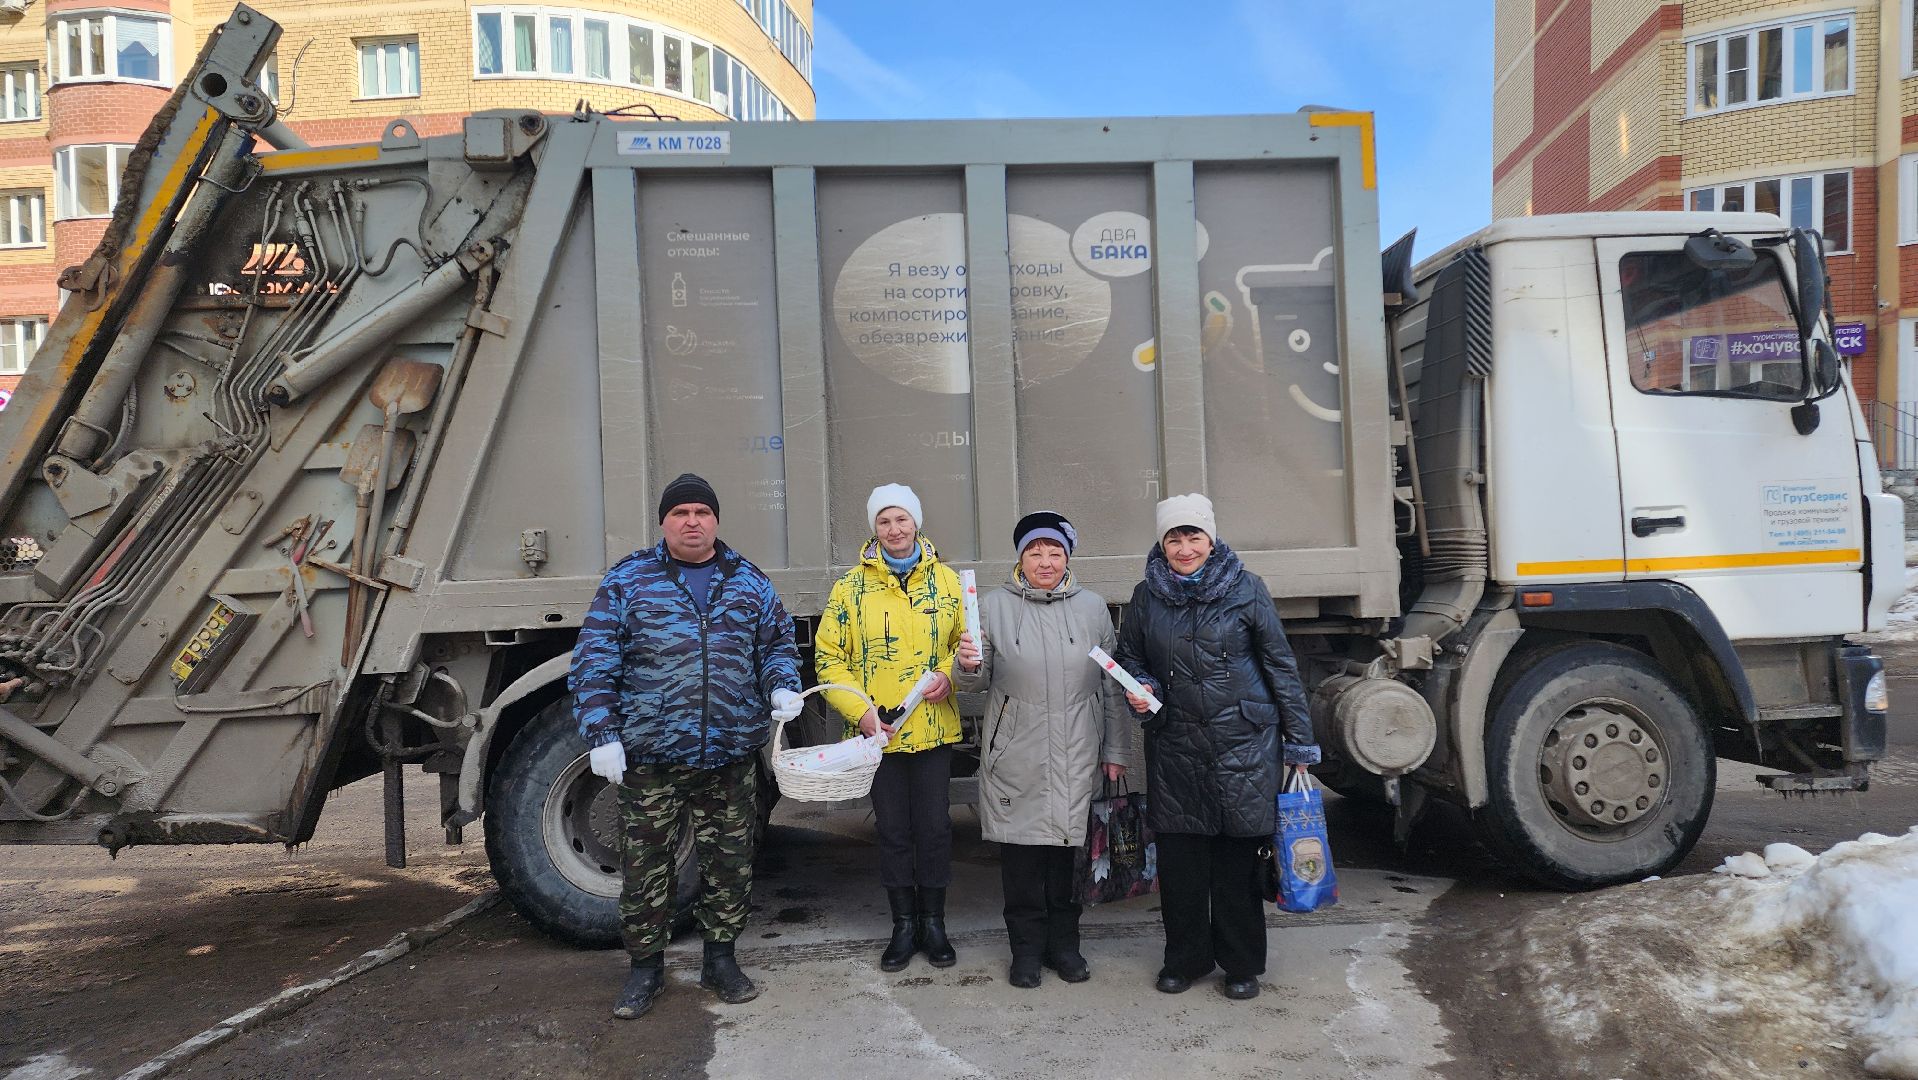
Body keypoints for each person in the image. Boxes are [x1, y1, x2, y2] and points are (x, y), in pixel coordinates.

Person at [571, 472, 806, 1020]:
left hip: (729, 753)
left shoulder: (748, 580)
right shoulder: (629, 580)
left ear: (716, 520)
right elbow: (595, 660)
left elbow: (777, 645)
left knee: (730, 863)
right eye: (681, 513)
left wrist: (781, 684)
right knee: (645, 868)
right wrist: (603, 735)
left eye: (702, 512)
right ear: (664, 522)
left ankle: (720, 960)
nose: (692, 522)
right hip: (651, 758)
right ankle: (645, 970)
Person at [1110, 492, 1319, 1001]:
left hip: (1242, 745)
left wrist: (1299, 744)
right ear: (1162, 543)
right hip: (1176, 745)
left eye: (1194, 536)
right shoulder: (1146, 596)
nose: (1185, 548)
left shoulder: (1248, 589)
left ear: (1211, 538)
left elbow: (1280, 667)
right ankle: (1185, 959)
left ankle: (1241, 964)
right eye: (1174, 538)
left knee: (1236, 863)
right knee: (1181, 864)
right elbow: (1129, 657)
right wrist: (1142, 687)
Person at [954, 511, 1128, 989]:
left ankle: (1065, 948)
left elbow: (1112, 686)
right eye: (1035, 552)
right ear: (1020, 558)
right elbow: (973, 681)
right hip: (1018, 754)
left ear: (1067, 557)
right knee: (1022, 863)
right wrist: (965, 664)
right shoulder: (992, 607)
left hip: (1078, 752)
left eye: (1055, 552)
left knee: (1068, 859)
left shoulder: (1092, 608)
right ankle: (1026, 952)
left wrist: (1116, 750)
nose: (1045, 561)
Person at [814, 483, 965, 971]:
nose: (894, 529)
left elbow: (967, 643)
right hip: (878, 735)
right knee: (894, 830)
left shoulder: (947, 582)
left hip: (932, 730)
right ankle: (903, 925)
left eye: (902, 519)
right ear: (874, 528)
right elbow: (829, 658)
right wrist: (861, 714)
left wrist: (949, 675)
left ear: (916, 522)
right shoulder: (850, 588)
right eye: (884, 521)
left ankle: (934, 924)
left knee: (935, 828)